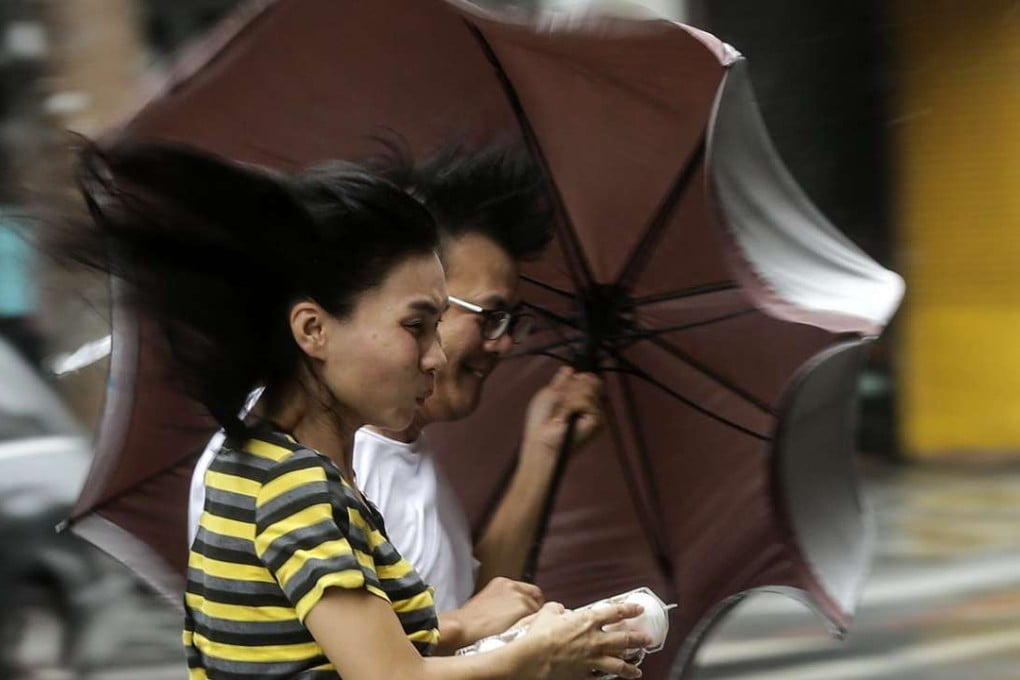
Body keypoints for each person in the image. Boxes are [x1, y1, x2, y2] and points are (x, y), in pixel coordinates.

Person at [65, 141, 646, 680]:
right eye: (416, 327)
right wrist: (537, 655)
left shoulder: (257, 463)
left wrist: (467, 627)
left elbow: (348, 645)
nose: (435, 355)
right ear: (313, 330)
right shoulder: (295, 490)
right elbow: (389, 676)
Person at [188, 141, 605, 652]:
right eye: (487, 316)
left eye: (512, 321)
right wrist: (543, 656)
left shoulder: (369, 459)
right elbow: (401, 662)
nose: (504, 343)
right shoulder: (293, 479)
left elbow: (461, 616)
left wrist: (541, 452)